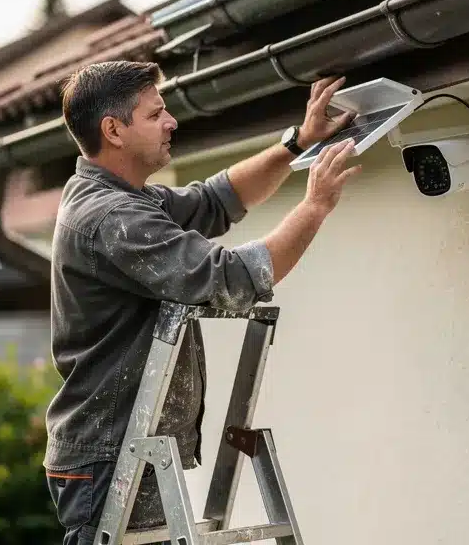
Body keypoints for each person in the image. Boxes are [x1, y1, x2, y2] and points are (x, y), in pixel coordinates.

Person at [42, 60, 361, 545]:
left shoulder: (125, 198)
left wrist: (297, 142)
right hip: (109, 454)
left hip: (130, 446)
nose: (171, 122)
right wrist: (314, 206)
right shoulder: (112, 217)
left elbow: (216, 200)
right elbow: (228, 278)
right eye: (155, 114)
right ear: (114, 130)